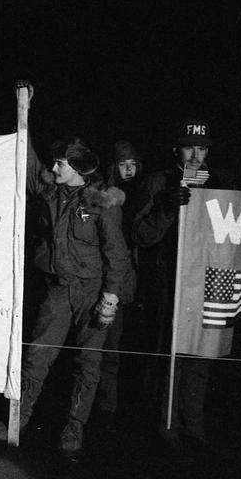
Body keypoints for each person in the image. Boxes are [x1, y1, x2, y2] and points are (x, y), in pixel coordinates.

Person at [0, 82, 132, 457]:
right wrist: (24, 108)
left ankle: (74, 428)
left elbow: (116, 254)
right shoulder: (50, 190)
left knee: (88, 364)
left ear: (78, 168)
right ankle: (18, 418)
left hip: (92, 291)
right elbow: (29, 159)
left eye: (61, 163)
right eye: (55, 162)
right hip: (58, 290)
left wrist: (111, 297)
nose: (54, 167)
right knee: (37, 354)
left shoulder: (99, 201)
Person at [130, 118, 226, 454]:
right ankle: (167, 427)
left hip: (205, 284)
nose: (196, 154)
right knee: (170, 358)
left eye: (202, 148)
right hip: (168, 284)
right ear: (176, 149)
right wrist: (166, 207)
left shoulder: (216, 183)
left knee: (200, 357)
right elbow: (142, 235)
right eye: (190, 147)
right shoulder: (158, 181)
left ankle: (195, 426)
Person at [93, 140, 141, 430]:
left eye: (133, 163)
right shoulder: (104, 194)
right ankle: (104, 407)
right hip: (111, 281)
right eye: (123, 164)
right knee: (105, 349)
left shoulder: (140, 191)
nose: (129, 169)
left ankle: (111, 406)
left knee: (118, 348)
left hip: (130, 281)